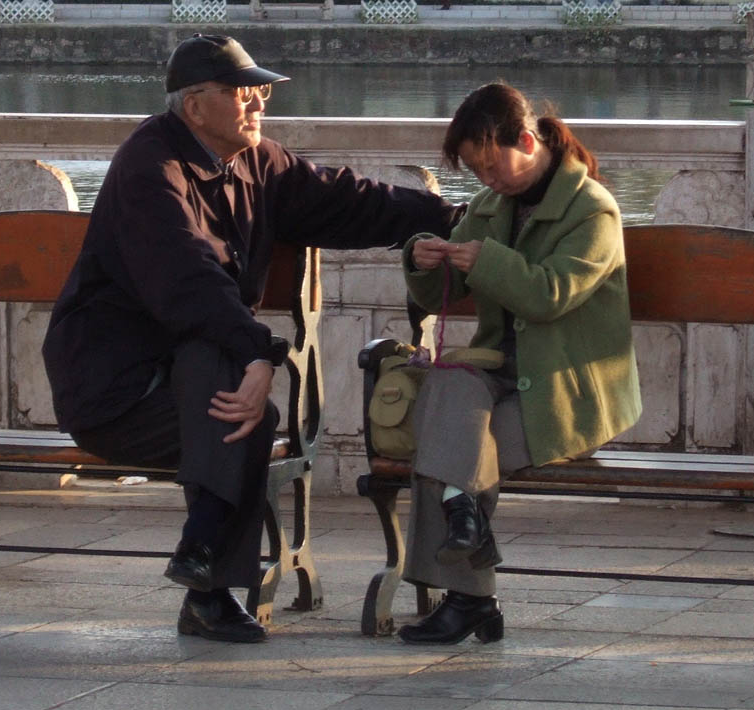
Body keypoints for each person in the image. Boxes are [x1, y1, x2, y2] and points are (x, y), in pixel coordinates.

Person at [42, 34, 463, 644]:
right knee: (240, 408)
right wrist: (261, 353)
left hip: (196, 377)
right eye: (243, 92)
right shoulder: (149, 167)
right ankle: (206, 580)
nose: (257, 104)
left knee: (234, 405)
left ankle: (204, 565)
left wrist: (444, 218)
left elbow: (343, 200)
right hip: (116, 389)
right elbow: (186, 278)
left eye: (261, 91)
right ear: (194, 106)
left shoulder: (256, 160)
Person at [396, 82, 642, 645]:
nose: (486, 180)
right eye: (475, 171)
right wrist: (422, 259)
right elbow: (441, 295)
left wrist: (490, 261)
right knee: (447, 393)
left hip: (566, 389)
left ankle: (469, 598)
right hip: (496, 373)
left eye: (491, 164)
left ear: (528, 140)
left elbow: (550, 295)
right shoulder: (490, 205)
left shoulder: (592, 211)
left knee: (446, 448)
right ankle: (468, 555)